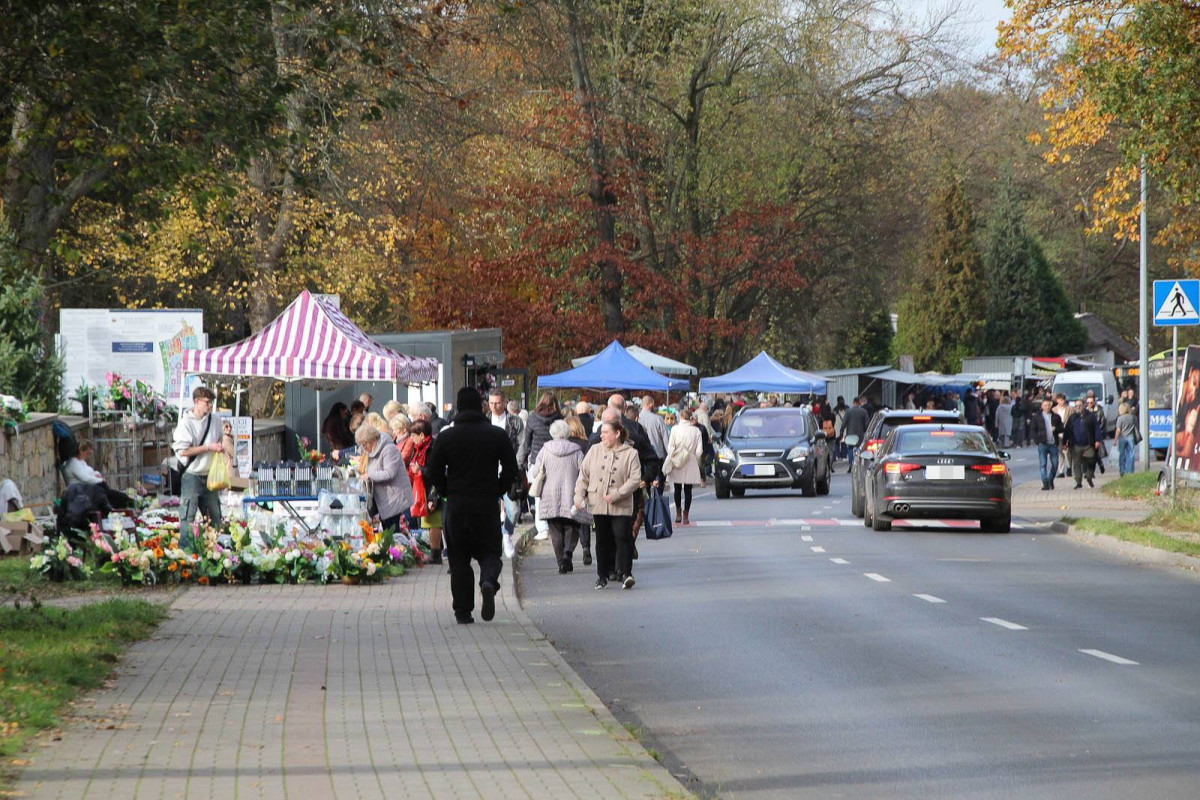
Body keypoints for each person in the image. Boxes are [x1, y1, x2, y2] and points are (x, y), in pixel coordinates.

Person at [427, 387, 519, 624]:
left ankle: (463, 611)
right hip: (486, 503)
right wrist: (499, 489)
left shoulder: (447, 437)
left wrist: (447, 490)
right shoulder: (496, 435)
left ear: (458, 407)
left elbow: (433, 471)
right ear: (482, 406)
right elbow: (511, 469)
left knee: (459, 559)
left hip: (457, 505)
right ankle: (488, 581)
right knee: (490, 552)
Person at [574, 419, 641, 590]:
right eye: (601, 432)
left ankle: (626, 573)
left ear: (617, 434)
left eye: (605, 432)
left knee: (622, 537)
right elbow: (583, 475)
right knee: (602, 540)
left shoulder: (631, 453)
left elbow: (634, 479)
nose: (601, 435)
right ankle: (601, 575)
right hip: (598, 502)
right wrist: (578, 495)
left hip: (621, 504)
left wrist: (618, 494)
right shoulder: (594, 450)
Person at [172, 386, 225, 545]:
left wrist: (221, 446)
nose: (209, 406)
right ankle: (186, 553)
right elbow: (183, 451)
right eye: (207, 402)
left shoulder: (215, 420)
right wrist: (208, 447)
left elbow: (220, 438)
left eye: (211, 403)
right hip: (192, 475)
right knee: (188, 516)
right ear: (196, 401)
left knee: (214, 516)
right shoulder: (186, 423)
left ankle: (215, 551)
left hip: (209, 476)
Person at [533, 420, 586, 573]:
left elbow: (536, 472)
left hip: (550, 495)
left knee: (555, 528)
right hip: (571, 494)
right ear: (568, 433)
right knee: (572, 525)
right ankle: (568, 553)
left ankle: (560, 561)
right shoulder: (576, 450)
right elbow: (583, 472)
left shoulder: (545, 450)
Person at [518, 392, 563, 542]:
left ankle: (542, 528)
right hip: (556, 458)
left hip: (538, 459)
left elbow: (526, 441)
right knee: (555, 493)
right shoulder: (559, 417)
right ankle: (554, 524)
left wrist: (523, 459)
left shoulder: (532, 418)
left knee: (538, 493)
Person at [354, 422, 413, 535]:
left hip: (394, 498)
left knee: (393, 534)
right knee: (387, 533)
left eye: (364, 444)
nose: (364, 448)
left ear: (372, 440)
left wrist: (369, 476)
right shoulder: (372, 451)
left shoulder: (388, 449)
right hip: (385, 499)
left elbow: (389, 473)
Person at [489, 389, 525, 558]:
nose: (494, 406)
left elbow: (522, 444)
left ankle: (507, 534)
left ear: (504, 403)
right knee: (488, 510)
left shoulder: (515, 422)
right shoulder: (485, 420)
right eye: (491, 403)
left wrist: (514, 466)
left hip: (508, 471)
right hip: (487, 471)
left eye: (497, 403)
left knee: (514, 509)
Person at [62, 439, 134, 509]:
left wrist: (97, 474)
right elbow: (85, 478)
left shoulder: (81, 462)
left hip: (91, 488)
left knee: (118, 496)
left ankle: (127, 501)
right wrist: (100, 480)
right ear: (81, 451)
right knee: (116, 497)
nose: (88, 457)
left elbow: (90, 471)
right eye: (88, 454)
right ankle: (127, 503)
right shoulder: (74, 463)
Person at [407, 420, 441, 564]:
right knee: (428, 522)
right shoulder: (420, 446)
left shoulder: (431, 447)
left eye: (413, 435)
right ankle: (435, 552)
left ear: (421, 435)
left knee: (433, 522)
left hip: (432, 488)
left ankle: (436, 553)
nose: (411, 439)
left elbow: (434, 470)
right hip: (422, 488)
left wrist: (420, 470)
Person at [664, 407, 703, 525]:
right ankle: (686, 514)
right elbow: (699, 450)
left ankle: (678, 513)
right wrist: (694, 459)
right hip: (690, 460)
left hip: (677, 459)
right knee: (688, 490)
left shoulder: (675, 429)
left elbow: (670, 446)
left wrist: (672, 457)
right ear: (690, 417)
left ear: (681, 417)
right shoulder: (696, 431)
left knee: (677, 489)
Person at [1064, 399, 1103, 489]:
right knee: (1076, 464)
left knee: (1091, 461)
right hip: (1075, 444)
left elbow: (1096, 428)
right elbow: (1067, 430)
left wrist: (1097, 440)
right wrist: (1065, 442)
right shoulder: (1072, 417)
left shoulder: (1091, 416)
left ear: (1084, 405)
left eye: (1080, 405)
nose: (1078, 407)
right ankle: (1078, 482)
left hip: (1088, 444)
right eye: (1076, 405)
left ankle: (1089, 477)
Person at [1031, 398, 1064, 490]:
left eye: (1049, 405)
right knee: (1043, 464)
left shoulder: (1056, 417)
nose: (1047, 407)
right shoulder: (1037, 417)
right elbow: (1033, 429)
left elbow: (1061, 428)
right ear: (1042, 406)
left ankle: (1050, 479)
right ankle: (1045, 483)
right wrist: (1037, 440)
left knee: (1055, 464)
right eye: (1045, 405)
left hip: (1053, 443)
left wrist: (1056, 429)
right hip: (1043, 443)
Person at [841, 397, 870, 472]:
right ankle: (858, 465)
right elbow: (867, 423)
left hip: (850, 434)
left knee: (850, 449)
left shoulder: (848, 411)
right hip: (860, 434)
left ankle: (851, 465)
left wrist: (841, 432)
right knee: (859, 449)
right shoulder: (863, 411)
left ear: (853, 402)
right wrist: (864, 430)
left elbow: (844, 423)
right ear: (859, 402)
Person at [638, 395, 669, 460]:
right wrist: (669, 455)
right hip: (657, 455)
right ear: (651, 405)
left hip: (642, 456)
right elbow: (665, 439)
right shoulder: (658, 419)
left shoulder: (636, 419)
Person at [1114, 402, 1139, 476]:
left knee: (1122, 454)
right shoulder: (1133, 417)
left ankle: (1122, 471)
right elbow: (1136, 426)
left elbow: (1118, 430)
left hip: (1122, 437)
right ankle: (1130, 471)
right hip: (1131, 437)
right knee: (1131, 455)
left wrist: (1115, 440)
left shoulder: (1120, 418)